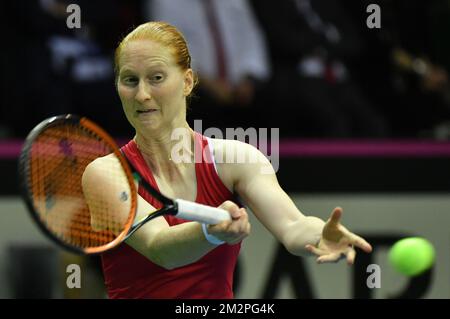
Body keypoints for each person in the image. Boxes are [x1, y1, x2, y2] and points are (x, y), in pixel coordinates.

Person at [81, 21, 372, 299]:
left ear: (187, 81)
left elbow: (293, 226)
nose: (142, 94)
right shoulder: (106, 174)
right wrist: (210, 231)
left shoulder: (236, 159)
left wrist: (321, 235)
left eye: (156, 78)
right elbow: (160, 249)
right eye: (130, 80)